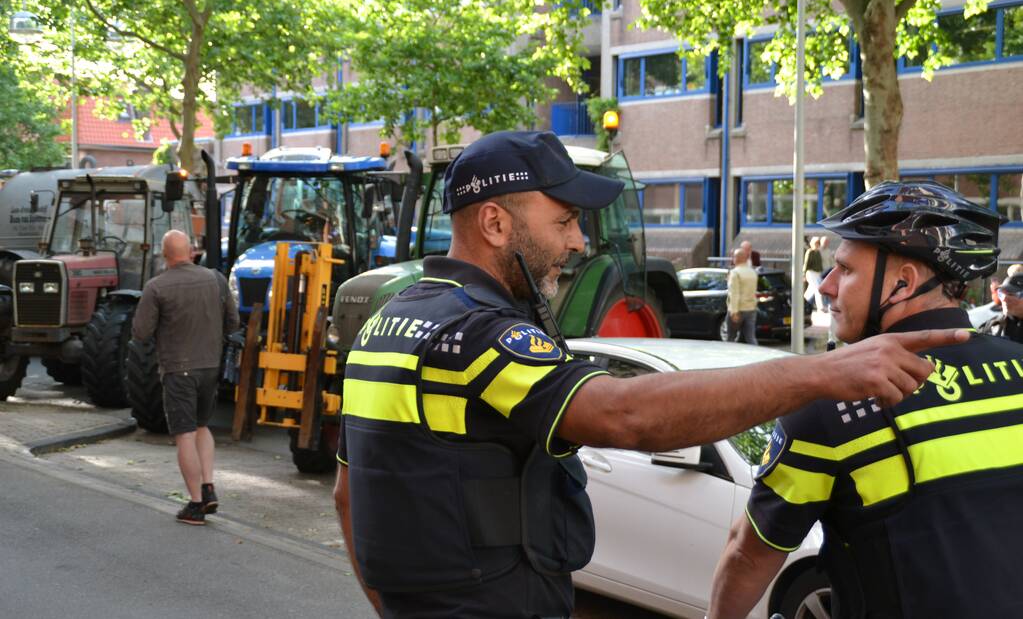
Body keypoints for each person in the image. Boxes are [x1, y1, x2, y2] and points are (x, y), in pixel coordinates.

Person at [333, 132, 964, 619]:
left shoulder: (388, 321)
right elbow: (622, 414)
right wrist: (822, 373)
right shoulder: (480, 333)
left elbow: (348, 497)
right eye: (563, 221)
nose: (579, 241)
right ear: (495, 223)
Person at [708, 181, 1021, 619]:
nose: (827, 287)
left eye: (846, 270)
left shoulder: (828, 403)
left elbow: (750, 554)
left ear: (902, 283)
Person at [132, 230, 240, 525]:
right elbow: (233, 322)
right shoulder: (216, 279)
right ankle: (208, 486)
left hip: (179, 370)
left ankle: (194, 505)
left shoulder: (156, 287)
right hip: (210, 368)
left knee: (185, 434)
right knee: (203, 426)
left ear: (165, 255)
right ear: (191, 251)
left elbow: (140, 333)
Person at [726, 246, 759, 345]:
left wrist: (734, 311)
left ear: (737, 258)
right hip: (751, 308)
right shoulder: (753, 272)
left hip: (738, 309)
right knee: (750, 337)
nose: (733, 259)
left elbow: (734, 293)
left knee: (731, 337)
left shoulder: (735, 273)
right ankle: (758, 355)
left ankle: (730, 356)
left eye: (734, 257)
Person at [803, 236, 824, 312]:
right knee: (818, 289)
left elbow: (820, 263)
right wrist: (804, 274)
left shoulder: (818, 252)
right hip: (811, 272)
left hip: (817, 273)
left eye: (818, 243)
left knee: (810, 291)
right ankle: (820, 307)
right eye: (816, 243)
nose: (817, 245)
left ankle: (802, 303)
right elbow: (806, 264)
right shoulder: (810, 251)